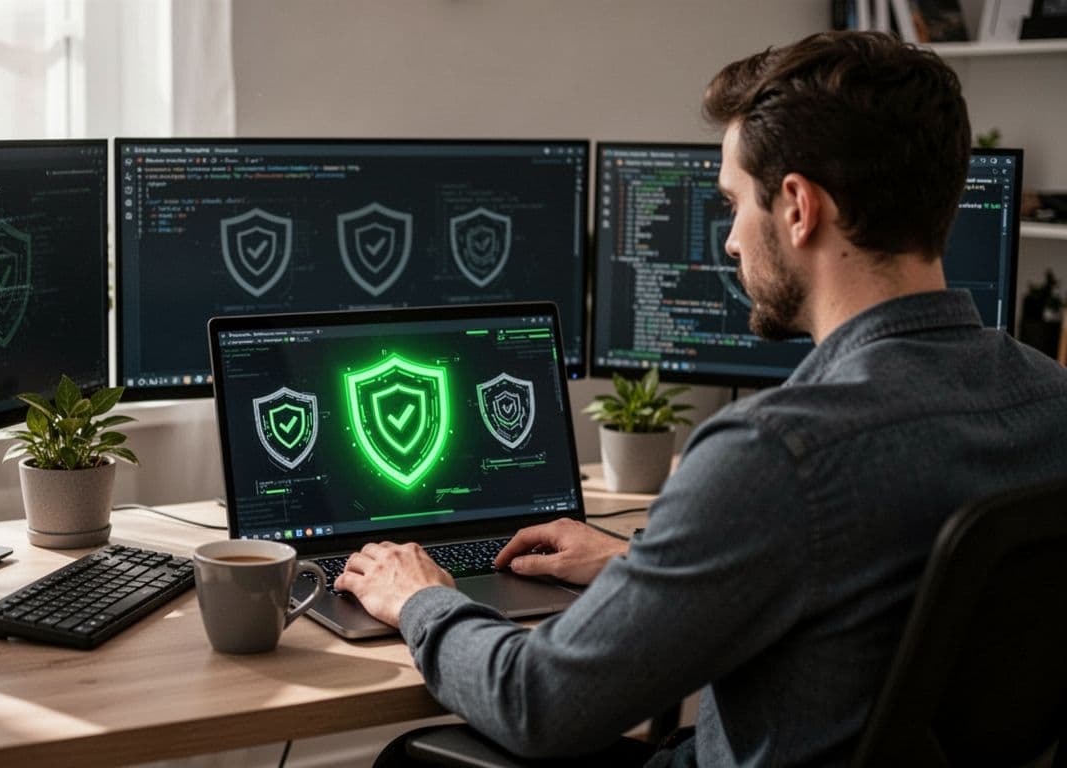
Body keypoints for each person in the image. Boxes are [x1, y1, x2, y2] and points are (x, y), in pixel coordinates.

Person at [335, 31, 1067, 767]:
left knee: (418, 756)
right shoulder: (1051, 402)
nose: (729, 242)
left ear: (798, 208)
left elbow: (539, 703)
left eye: (732, 203)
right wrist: (636, 571)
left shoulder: (776, 454)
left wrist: (419, 598)